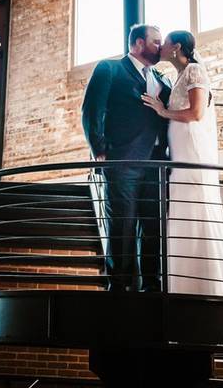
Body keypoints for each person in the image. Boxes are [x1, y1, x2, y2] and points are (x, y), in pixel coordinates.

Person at [141, 31, 223, 297]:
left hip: (193, 150)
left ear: (177, 47)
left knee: (196, 203)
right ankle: (183, 284)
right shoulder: (177, 77)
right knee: (183, 209)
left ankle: (208, 284)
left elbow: (197, 113)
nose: (161, 46)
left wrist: (163, 111)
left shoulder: (195, 70)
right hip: (179, 154)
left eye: (166, 42)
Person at [81, 24, 171, 291]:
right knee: (123, 224)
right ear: (139, 43)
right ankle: (118, 287)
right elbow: (91, 109)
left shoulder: (162, 78)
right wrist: (99, 149)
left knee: (153, 225)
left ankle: (152, 285)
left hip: (157, 162)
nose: (161, 46)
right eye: (156, 42)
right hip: (122, 161)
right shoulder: (109, 69)